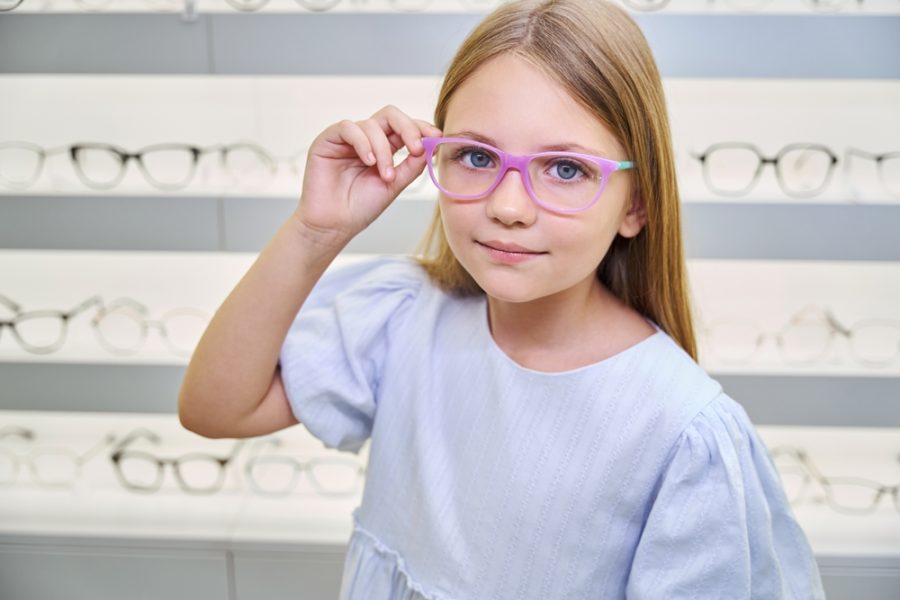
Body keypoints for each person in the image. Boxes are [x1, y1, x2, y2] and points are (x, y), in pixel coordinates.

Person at [178, 0, 825, 597]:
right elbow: (214, 409)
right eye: (476, 157)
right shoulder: (407, 318)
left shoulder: (682, 433)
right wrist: (316, 233)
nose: (508, 207)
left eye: (566, 169)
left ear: (637, 204)